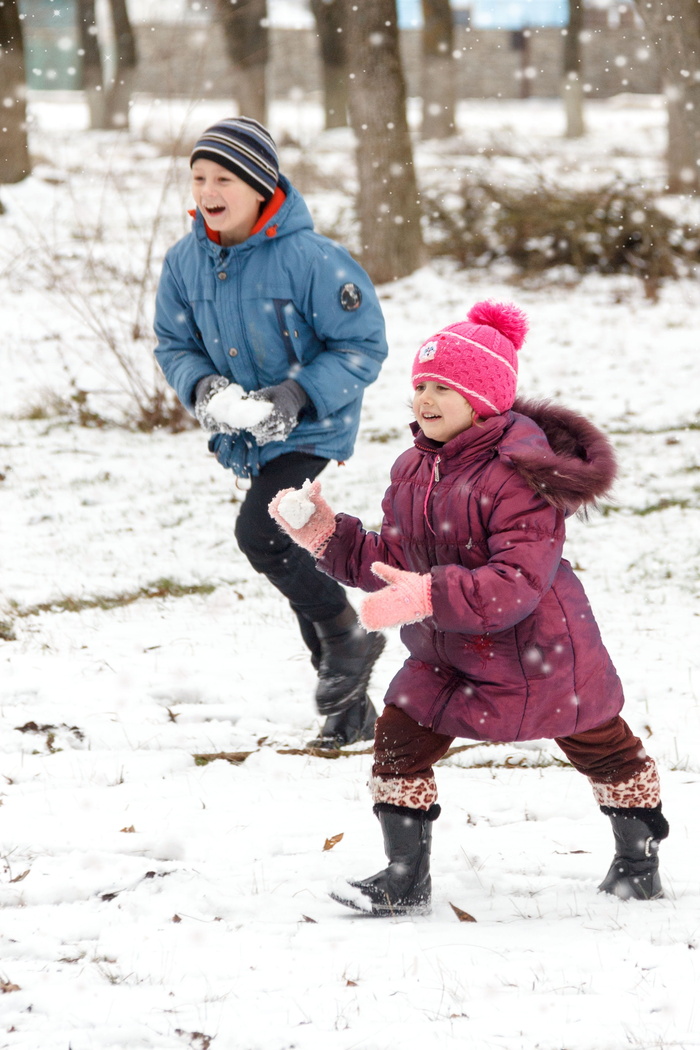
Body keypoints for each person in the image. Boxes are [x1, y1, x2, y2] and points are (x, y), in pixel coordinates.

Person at [269, 299, 670, 915]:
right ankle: (405, 877)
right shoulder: (413, 468)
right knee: (398, 742)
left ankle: (638, 859)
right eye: (419, 387)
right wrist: (326, 534)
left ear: (484, 399)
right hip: (448, 653)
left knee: (603, 747)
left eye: (443, 388)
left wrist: (426, 594)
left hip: (542, 652)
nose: (424, 400)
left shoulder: (520, 476)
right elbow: (391, 558)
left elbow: (514, 581)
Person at [153, 116, 388, 749]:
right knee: (291, 557)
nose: (208, 189)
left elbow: (363, 345)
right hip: (248, 432)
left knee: (261, 534)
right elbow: (174, 342)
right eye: (199, 176)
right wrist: (206, 389)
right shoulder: (185, 262)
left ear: (260, 186)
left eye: (223, 176)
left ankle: (347, 633)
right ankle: (349, 712)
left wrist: (296, 392)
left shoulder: (311, 259)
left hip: (314, 427)